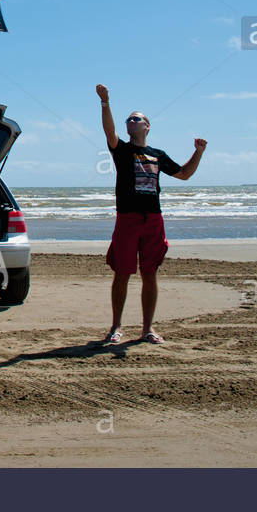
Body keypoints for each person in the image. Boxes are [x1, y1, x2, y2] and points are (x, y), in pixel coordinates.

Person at [96, 84, 207, 345]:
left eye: (137, 118)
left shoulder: (158, 155)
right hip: (127, 218)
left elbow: (184, 174)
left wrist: (198, 153)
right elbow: (108, 131)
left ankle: (147, 329)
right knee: (122, 273)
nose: (131, 121)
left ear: (147, 126)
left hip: (153, 220)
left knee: (150, 273)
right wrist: (105, 102)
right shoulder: (122, 150)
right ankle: (115, 327)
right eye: (129, 119)